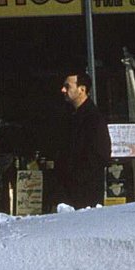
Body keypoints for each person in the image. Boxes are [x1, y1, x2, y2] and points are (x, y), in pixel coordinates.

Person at [48, 70, 112, 209]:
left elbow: (101, 154)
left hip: (84, 194)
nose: (63, 90)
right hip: (68, 191)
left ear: (82, 89)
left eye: (68, 86)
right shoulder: (69, 116)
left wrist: (76, 178)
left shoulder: (94, 118)